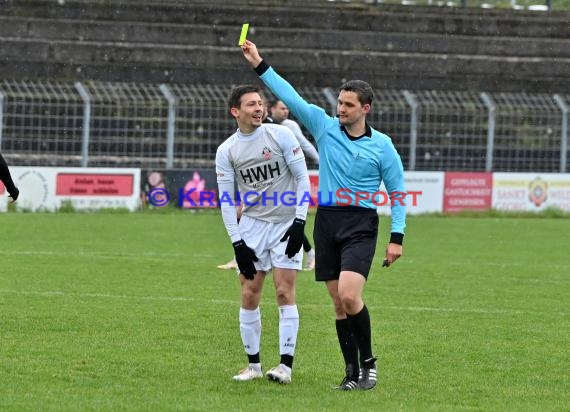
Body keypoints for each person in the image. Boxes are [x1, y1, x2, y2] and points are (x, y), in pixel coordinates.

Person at [241, 40, 407, 391]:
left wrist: (397, 238)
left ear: (366, 108)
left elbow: (397, 194)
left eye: (348, 105)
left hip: (361, 223)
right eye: (339, 103)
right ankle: (350, 374)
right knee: (338, 303)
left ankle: (369, 364)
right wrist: (259, 63)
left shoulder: (383, 145)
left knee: (349, 295)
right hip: (327, 222)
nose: (341, 109)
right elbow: (292, 95)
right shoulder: (325, 126)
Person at [216, 84, 311, 384]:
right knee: (249, 294)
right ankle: (253, 366)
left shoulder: (281, 135)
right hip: (252, 226)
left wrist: (299, 223)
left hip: (285, 223)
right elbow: (226, 200)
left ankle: (285, 367)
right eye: (251, 105)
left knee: (284, 292)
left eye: (260, 103)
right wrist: (237, 242)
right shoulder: (227, 150)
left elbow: (303, 179)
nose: (259, 108)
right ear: (235, 112)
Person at [268, 99, 318, 271]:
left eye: (287, 108)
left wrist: (320, 161)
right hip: (269, 181)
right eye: (282, 108)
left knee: (288, 219)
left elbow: (304, 144)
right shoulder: (263, 125)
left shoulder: (290, 126)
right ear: (272, 109)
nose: (286, 111)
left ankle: (311, 254)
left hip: (289, 181)